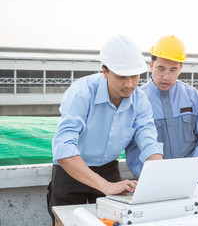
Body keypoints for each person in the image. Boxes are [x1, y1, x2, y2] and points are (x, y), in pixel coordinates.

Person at [47, 35, 163, 224]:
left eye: (134, 76)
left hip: (109, 170)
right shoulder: (81, 94)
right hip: (71, 172)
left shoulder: (140, 99)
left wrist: (158, 174)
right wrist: (104, 186)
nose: (130, 84)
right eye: (121, 77)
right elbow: (63, 149)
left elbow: (148, 136)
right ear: (105, 71)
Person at [125, 35, 198, 182]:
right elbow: (132, 148)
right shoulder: (137, 100)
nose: (166, 77)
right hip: (155, 183)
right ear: (151, 65)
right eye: (161, 68)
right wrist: (149, 176)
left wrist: (192, 168)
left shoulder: (194, 97)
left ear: (181, 68)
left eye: (173, 70)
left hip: (194, 180)